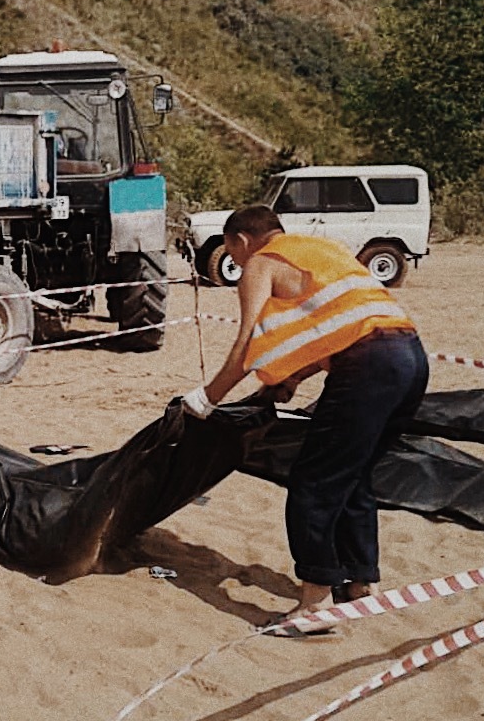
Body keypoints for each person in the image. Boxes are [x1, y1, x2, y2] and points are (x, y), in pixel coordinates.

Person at [183, 205, 428, 632]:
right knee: (354, 475)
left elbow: (246, 345)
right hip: (410, 357)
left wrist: (206, 399)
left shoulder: (262, 261)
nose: (238, 265)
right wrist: (292, 378)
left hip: (368, 364)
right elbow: (337, 324)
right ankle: (357, 584)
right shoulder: (319, 249)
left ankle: (314, 604)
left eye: (233, 255)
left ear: (240, 241)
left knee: (313, 481)